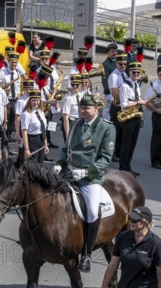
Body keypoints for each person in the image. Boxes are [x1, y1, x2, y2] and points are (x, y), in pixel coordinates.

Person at [54, 94, 115, 272]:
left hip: (90, 177)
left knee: (92, 211)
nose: (82, 110)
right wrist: (59, 164)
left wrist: (87, 172)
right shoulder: (76, 124)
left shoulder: (106, 128)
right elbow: (66, 149)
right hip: (69, 172)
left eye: (86, 108)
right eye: (81, 107)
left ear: (96, 108)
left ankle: (86, 254)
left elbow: (105, 158)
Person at [118, 61, 145, 176]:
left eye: (138, 72)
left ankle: (128, 166)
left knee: (132, 145)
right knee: (126, 144)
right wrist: (138, 102)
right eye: (134, 72)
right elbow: (123, 104)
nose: (136, 74)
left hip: (136, 117)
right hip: (128, 119)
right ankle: (123, 168)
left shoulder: (137, 85)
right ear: (129, 72)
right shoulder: (124, 86)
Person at [143, 64, 161, 169]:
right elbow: (146, 101)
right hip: (158, 114)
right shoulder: (155, 85)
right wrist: (156, 110)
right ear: (157, 75)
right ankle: (155, 161)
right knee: (157, 138)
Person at [108, 51, 128, 162]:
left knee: (122, 132)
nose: (123, 66)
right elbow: (115, 92)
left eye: (125, 64)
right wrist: (126, 101)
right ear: (116, 64)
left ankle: (119, 153)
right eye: (121, 64)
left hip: (123, 106)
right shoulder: (114, 76)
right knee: (115, 132)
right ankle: (112, 153)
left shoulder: (124, 74)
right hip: (116, 106)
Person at [20, 89, 48, 163]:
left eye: (37, 100)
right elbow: (24, 132)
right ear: (30, 101)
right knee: (32, 166)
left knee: (40, 165)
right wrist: (26, 149)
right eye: (33, 100)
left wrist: (45, 144)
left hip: (41, 139)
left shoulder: (41, 112)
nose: (36, 102)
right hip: (32, 140)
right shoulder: (26, 114)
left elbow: (43, 129)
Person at [61, 74, 83, 140]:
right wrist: (67, 135)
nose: (75, 87)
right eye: (73, 85)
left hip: (81, 122)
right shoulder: (68, 98)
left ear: (80, 85)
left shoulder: (83, 96)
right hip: (71, 123)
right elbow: (65, 118)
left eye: (77, 85)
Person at [101, 43, 119, 121]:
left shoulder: (118, 62)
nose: (114, 53)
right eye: (112, 52)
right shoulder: (105, 64)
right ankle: (106, 122)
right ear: (108, 53)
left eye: (115, 51)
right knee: (107, 108)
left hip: (117, 90)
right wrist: (108, 92)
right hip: (110, 91)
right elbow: (105, 79)